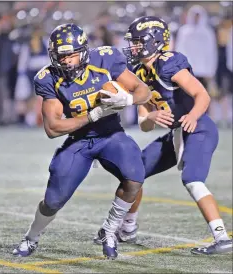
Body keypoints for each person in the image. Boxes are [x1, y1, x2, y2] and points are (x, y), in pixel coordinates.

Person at [94, 16, 232, 255]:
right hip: (176, 134)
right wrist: (151, 118)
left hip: (198, 128)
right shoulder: (138, 73)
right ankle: (128, 228)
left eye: (138, 41)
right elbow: (144, 124)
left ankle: (221, 237)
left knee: (193, 179)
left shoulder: (169, 63)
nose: (133, 47)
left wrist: (192, 116)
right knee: (134, 171)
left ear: (154, 42)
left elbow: (203, 95)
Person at [12, 23, 151, 258]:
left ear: (84, 50)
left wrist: (126, 100)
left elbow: (143, 90)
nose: (66, 61)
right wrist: (93, 115)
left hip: (110, 135)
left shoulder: (106, 60)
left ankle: (109, 230)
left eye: (71, 55)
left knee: (135, 175)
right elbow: (53, 128)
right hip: (79, 142)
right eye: (61, 56)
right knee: (52, 202)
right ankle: (31, 237)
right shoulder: (49, 78)